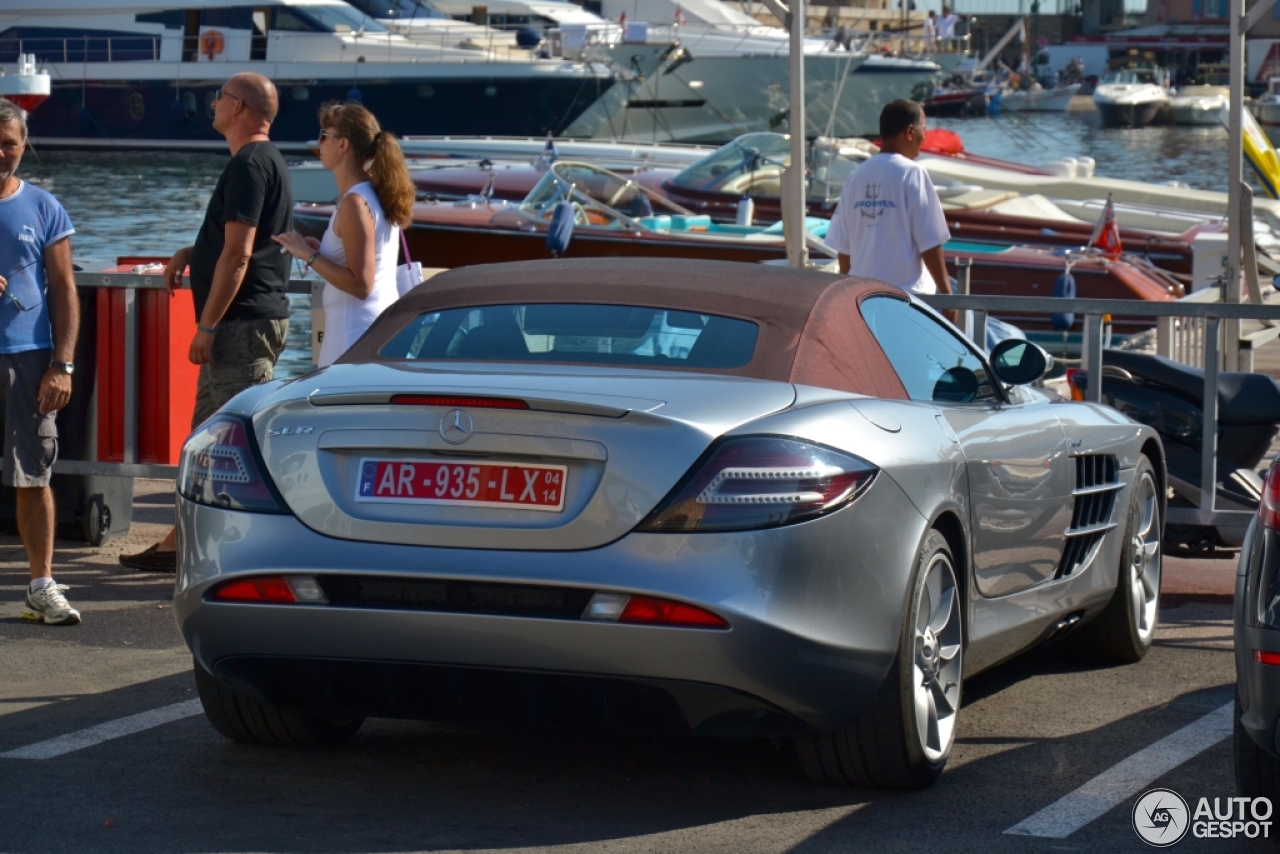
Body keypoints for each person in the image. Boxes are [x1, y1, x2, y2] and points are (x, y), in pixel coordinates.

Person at [119, 72, 292, 573]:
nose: (212, 104)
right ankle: (181, 541)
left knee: (238, 442)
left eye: (220, 97)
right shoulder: (265, 161)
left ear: (238, 108)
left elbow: (239, 256)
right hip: (247, 322)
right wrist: (194, 250)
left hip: (239, 325)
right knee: (207, 439)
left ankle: (252, 554)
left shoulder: (249, 165)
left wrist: (208, 325)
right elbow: (245, 242)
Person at [0, 99, 81, 624]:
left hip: (28, 358)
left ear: (24, 146)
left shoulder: (45, 207)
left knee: (33, 475)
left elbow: (64, 289)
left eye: (9, 143)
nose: (1, 152)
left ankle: (40, 586)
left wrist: (63, 364)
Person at [272, 102, 413, 367]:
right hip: (373, 335)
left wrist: (308, 254)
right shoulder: (375, 193)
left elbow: (361, 284)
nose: (318, 143)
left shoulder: (354, 202)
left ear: (343, 144)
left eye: (324, 136)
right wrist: (322, 250)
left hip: (354, 340)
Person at [825, 99, 951, 297]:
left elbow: (844, 248)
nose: (925, 136)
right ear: (910, 132)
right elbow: (930, 242)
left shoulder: (855, 177)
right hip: (907, 300)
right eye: (923, 129)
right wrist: (946, 293)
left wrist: (847, 296)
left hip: (862, 299)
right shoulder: (913, 174)